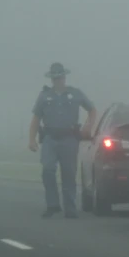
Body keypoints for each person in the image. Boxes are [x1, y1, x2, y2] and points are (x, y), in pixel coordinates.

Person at [29, 62, 97, 218]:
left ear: (64, 77)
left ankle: (70, 208)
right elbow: (36, 118)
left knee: (69, 173)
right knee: (47, 169)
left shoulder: (75, 93)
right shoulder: (44, 96)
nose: (58, 80)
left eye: (60, 77)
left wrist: (88, 126)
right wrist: (31, 140)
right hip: (50, 139)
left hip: (69, 139)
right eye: (55, 78)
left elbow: (92, 109)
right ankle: (53, 205)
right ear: (51, 79)